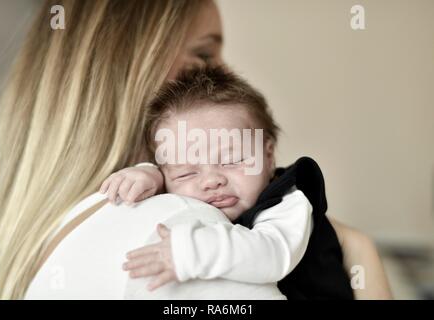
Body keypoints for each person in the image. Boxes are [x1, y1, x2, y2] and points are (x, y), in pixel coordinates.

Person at [0, 0, 392, 299]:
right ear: (127, 68)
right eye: (204, 55)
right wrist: (360, 251)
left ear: (269, 153)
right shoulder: (183, 222)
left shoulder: (65, 224)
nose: (227, 76)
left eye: (233, 157)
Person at [100, 66, 355, 299]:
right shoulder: (176, 187)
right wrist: (149, 176)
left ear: (268, 156)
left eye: (232, 160)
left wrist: (191, 250)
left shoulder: (289, 202)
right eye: (186, 173)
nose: (212, 181)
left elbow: (272, 255)